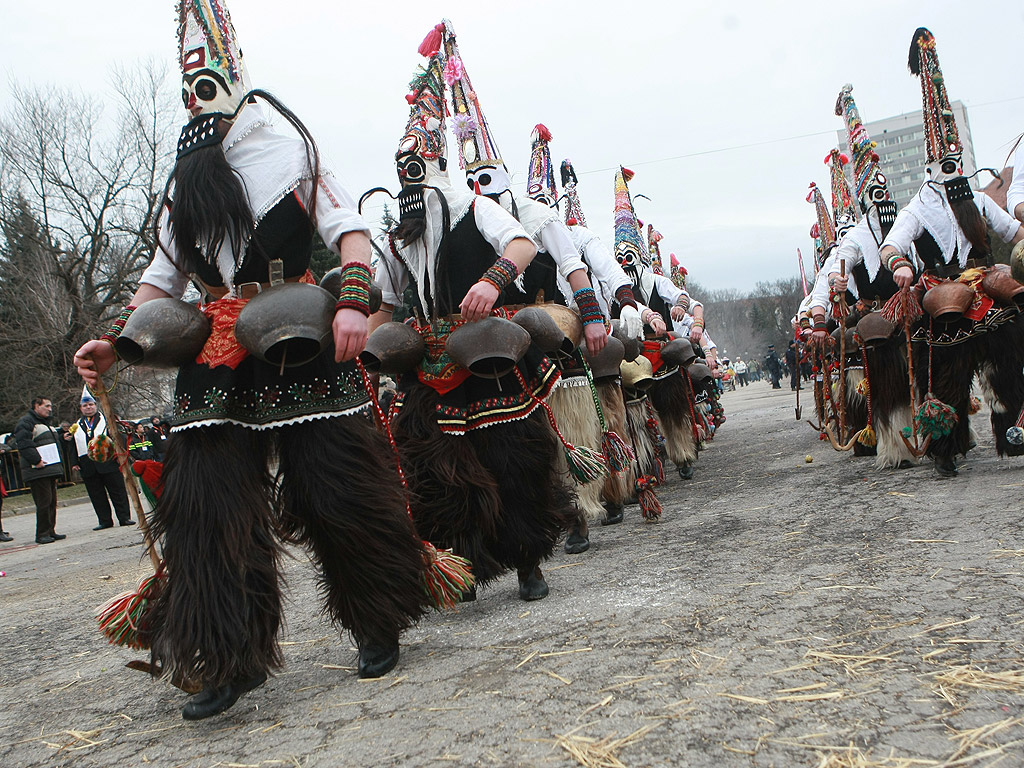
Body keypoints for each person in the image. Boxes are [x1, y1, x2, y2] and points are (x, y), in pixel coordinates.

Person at [73, 0, 433, 720]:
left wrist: (355, 301)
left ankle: (375, 616)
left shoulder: (294, 150)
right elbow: (161, 276)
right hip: (214, 352)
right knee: (204, 507)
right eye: (186, 93)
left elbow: (351, 232)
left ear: (234, 84)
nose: (195, 105)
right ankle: (222, 653)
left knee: (334, 488)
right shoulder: (185, 181)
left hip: (300, 336)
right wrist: (115, 343)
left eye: (205, 89)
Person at [374, 29, 574, 602]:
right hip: (429, 363)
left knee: (512, 453)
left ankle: (528, 559)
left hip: (487, 353)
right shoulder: (400, 235)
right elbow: (385, 303)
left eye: (418, 163)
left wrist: (492, 281)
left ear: (435, 163)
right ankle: (463, 564)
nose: (410, 174)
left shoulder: (474, 207)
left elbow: (521, 245)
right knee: (437, 467)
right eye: (402, 165)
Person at [879, 28, 1024, 476]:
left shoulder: (977, 199)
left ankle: (1013, 431)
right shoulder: (917, 207)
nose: (955, 171)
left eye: (957, 162)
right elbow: (892, 245)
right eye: (947, 164)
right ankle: (946, 445)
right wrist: (901, 265)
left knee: (1007, 354)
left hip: (986, 286)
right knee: (949, 372)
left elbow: (1012, 228)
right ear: (931, 166)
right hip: (943, 293)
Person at [68, 389, 135, 529]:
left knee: (117, 490)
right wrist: (74, 462)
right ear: (81, 408)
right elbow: (72, 444)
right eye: (85, 406)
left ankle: (124, 517)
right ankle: (104, 520)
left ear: (95, 405)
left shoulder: (107, 420)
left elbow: (119, 437)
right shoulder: (77, 425)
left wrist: (120, 455)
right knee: (96, 494)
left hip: (109, 462)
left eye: (91, 405)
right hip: (88, 465)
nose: (88, 408)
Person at [15, 397, 66, 545]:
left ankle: (50, 530)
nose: (50, 409)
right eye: (47, 406)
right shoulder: (26, 422)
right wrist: (36, 460)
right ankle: (42, 533)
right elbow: (24, 444)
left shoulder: (45, 423)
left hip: (49, 469)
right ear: (37, 406)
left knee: (51, 501)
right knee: (44, 502)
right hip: (38, 470)